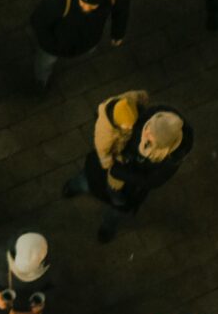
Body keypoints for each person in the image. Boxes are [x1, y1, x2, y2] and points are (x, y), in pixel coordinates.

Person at [60, 91, 188, 243]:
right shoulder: (148, 117)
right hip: (108, 161)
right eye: (147, 130)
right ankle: (76, 186)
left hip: (129, 184)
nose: (145, 134)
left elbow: (152, 181)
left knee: (117, 207)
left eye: (151, 137)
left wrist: (118, 172)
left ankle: (108, 226)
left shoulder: (172, 158)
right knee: (89, 179)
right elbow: (122, 107)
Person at [27, 0, 128, 93]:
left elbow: (122, 9)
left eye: (92, 6)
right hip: (54, 46)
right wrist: (52, 45)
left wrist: (118, 33)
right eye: (83, 3)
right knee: (45, 62)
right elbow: (40, 21)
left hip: (86, 41)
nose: (86, 8)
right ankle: (40, 81)